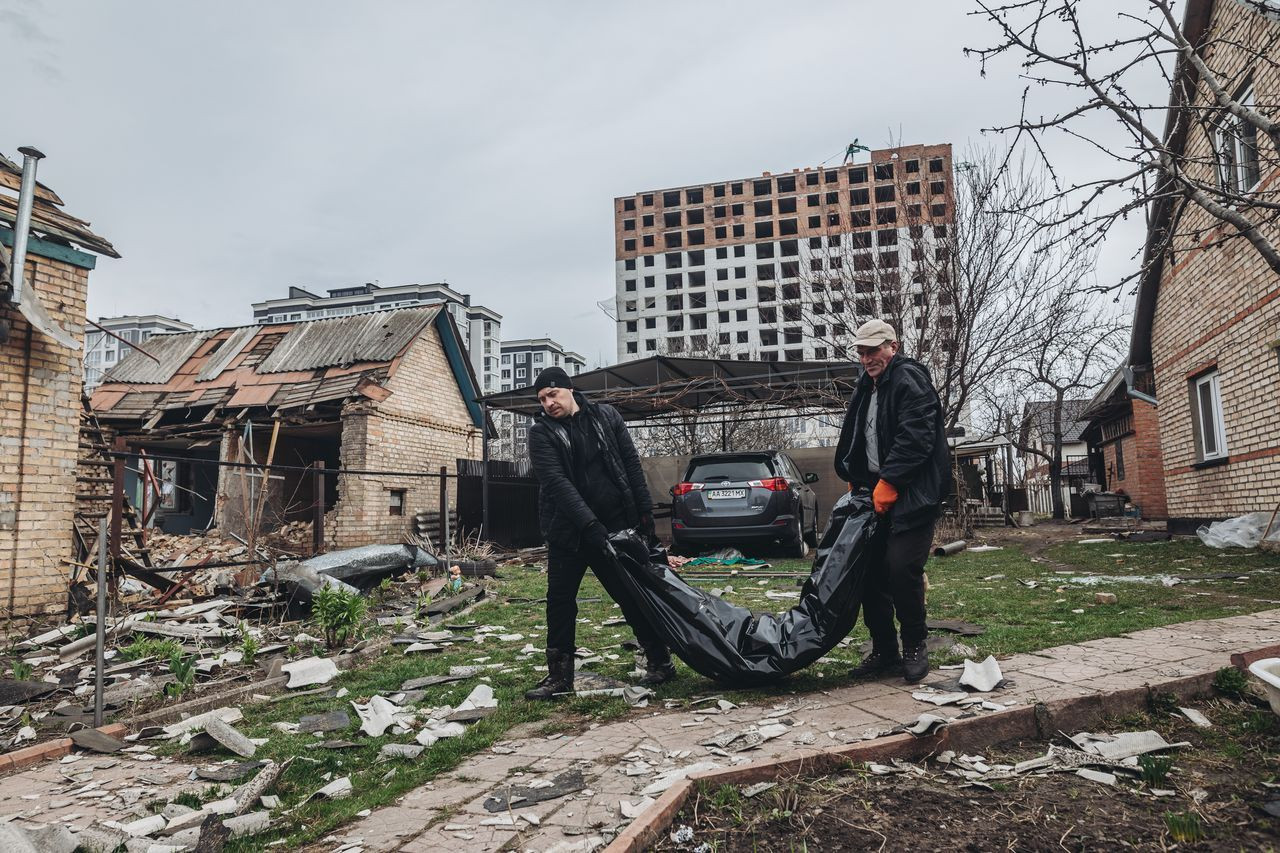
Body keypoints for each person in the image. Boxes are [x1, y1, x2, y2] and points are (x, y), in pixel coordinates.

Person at [523, 366, 677, 701]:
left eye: (553, 394)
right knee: (560, 601)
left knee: (630, 595)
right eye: (542, 399)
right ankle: (559, 677)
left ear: (569, 389)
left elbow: (630, 463)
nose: (548, 403)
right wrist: (589, 525)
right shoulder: (541, 433)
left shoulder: (606, 417)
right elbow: (557, 484)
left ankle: (660, 661)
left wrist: (645, 512)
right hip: (568, 532)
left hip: (614, 528)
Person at [834, 320, 950, 684]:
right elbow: (859, 432)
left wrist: (891, 481)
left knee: (902, 569)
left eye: (873, 351)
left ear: (893, 347)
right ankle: (885, 649)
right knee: (869, 572)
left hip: (914, 494)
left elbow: (916, 436)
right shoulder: (866, 384)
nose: (867, 358)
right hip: (874, 493)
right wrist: (855, 471)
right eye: (862, 352)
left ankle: (914, 643)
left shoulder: (908, 378)